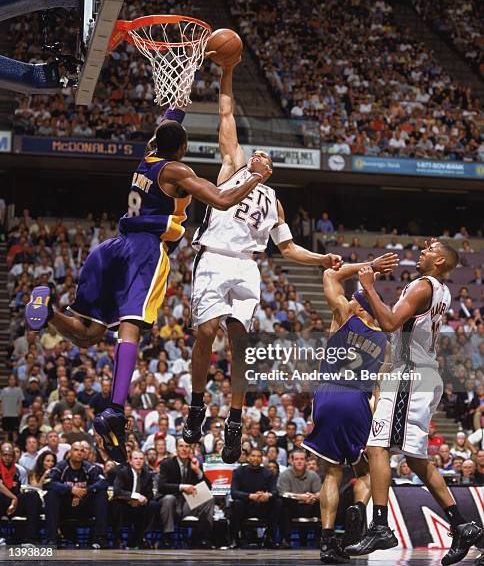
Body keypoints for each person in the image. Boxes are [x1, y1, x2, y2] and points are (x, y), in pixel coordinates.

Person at [25, 110, 270, 464]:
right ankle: (115, 408)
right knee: (131, 329)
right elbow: (220, 199)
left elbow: (163, 129)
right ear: (183, 147)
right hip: (144, 250)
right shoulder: (177, 170)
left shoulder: (147, 157)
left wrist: (178, 103)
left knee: (88, 334)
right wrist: (256, 178)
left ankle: (48, 313)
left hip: (112, 248)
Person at [184, 61, 342, 463]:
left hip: (247, 266)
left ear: (271, 169)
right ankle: (197, 405)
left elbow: (288, 250)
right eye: (257, 151)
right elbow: (226, 112)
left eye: (266, 156)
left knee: (240, 340)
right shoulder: (233, 167)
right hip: (215, 258)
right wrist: (228, 71)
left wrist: (321, 257)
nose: (260, 154)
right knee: (205, 333)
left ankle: (234, 420)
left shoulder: (274, 200)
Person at [347, 239, 483, 565]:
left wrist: (368, 287)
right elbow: (398, 321)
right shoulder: (441, 290)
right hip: (419, 374)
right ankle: (461, 524)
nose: (422, 252)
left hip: (409, 376)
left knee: (378, 447)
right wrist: (370, 295)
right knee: (416, 458)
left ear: (439, 263)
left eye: (430, 251)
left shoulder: (423, 286)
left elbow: (390, 323)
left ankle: (380, 525)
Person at [302, 253, 397, 563]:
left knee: (331, 472)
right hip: (358, 399)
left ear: (358, 306)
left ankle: (328, 542)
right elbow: (380, 389)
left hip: (328, 395)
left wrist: (368, 266)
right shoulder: (385, 341)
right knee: (367, 471)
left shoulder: (343, 315)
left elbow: (330, 276)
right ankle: (357, 515)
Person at [44, 441, 109, 548]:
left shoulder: (89, 467)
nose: (79, 453)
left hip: (83, 505)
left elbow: (103, 483)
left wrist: (85, 491)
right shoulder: (61, 466)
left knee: (101, 494)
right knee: (51, 494)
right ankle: (52, 539)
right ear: (70, 453)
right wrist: (71, 490)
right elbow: (48, 483)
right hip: (65, 506)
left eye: (82, 451)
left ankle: (99, 538)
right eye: (76, 450)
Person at [157, 438, 214, 548]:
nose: (184, 449)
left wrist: (198, 471)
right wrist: (182, 487)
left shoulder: (194, 464)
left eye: (187, 446)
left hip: (188, 504)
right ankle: (168, 536)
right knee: (169, 498)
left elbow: (208, 488)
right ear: (176, 448)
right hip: (171, 505)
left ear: (190, 449)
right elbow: (161, 486)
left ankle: (202, 537)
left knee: (208, 497)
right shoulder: (167, 464)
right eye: (181, 446)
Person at [230, 447, 279, 547]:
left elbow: (275, 492)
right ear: (248, 458)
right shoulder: (239, 472)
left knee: (277, 502)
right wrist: (250, 496)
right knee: (236, 503)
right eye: (253, 456)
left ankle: (269, 537)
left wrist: (267, 495)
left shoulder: (268, 473)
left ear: (262, 459)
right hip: (245, 506)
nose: (256, 458)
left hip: (262, 506)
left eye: (258, 456)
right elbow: (234, 492)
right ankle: (235, 538)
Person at [111, 450, 158, 548]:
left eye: (141, 459)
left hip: (139, 506)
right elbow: (117, 491)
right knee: (117, 505)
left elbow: (150, 494)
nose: (138, 461)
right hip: (124, 504)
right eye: (136, 458)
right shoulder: (122, 472)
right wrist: (135, 497)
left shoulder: (147, 475)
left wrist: (143, 499)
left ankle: (140, 537)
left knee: (153, 504)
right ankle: (118, 539)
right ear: (130, 461)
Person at [276, 449, 321, 548]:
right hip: (293, 507)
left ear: (305, 461)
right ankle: (285, 540)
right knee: (282, 507)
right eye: (296, 459)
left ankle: (321, 540)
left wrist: (313, 496)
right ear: (291, 461)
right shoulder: (285, 475)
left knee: (321, 504)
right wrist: (301, 497)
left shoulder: (313, 475)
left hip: (310, 506)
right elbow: (283, 493)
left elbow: (319, 493)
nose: (299, 461)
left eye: (302, 459)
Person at [0, 442, 41, 545]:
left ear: (14, 457)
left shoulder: (20, 470)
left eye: (10, 455)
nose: (7, 458)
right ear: (0, 455)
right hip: (2, 502)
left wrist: (16, 499)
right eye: (5, 455)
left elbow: (23, 488)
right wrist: (14, 498)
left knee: (33, 496)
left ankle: (29, 538)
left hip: (15, 503)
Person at [0, 374, 24, 441]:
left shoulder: (18, 390)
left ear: (15, 381)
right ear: (8, 381)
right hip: (6, 413)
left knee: (14, 431)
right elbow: (1, 401)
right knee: (6, 431)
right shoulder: (4, 390)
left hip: (14, 414)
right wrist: (1, 411)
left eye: (13, 379)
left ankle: (15, 445)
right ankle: (5, 444)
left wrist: (20, 410)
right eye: (10, 379)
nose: (12, 381)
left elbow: (20, 401)